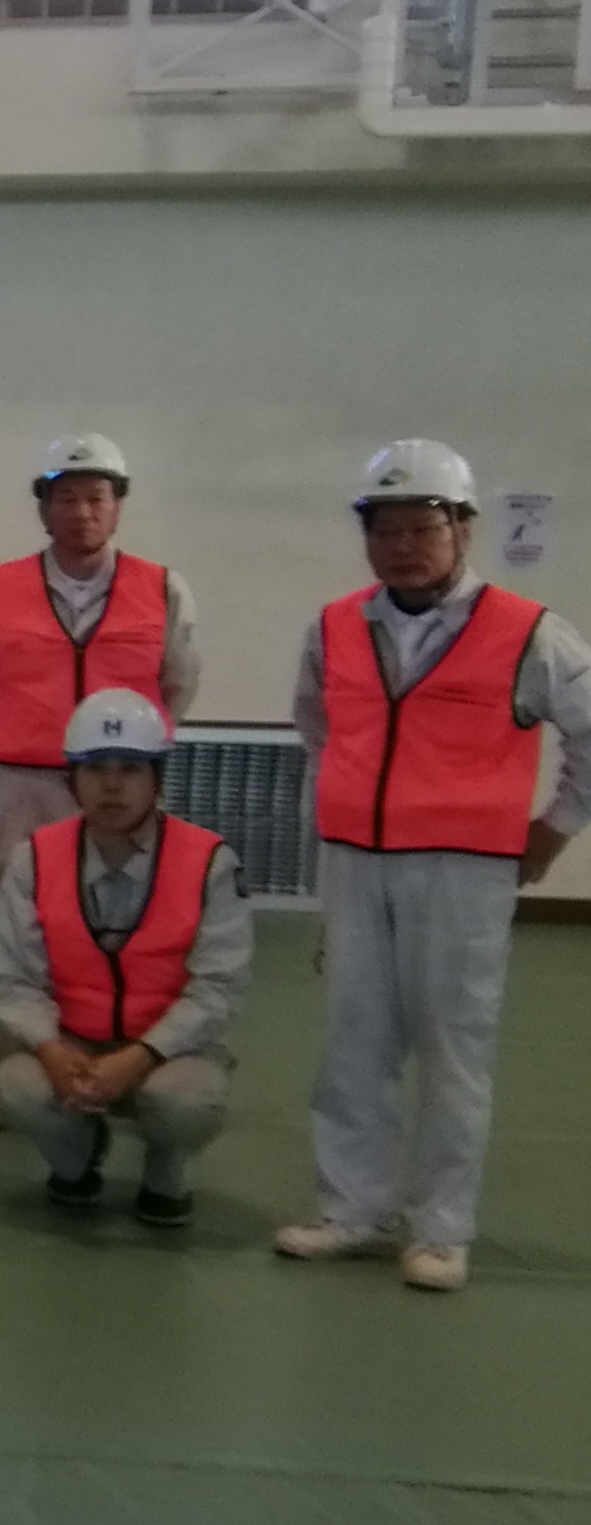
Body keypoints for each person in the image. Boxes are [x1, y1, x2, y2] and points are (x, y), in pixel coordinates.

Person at [275, 440, 591, 1292]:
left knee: (453, 1047)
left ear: (464, 529)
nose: (404, 546)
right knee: (353, 1042)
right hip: (356, 864)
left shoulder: (528, 633)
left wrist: (557, 827)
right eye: (387, 530)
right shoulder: (336, 626)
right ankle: (351, 1209)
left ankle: (442, 1230)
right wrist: (350, 796)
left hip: (463, 872)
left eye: (424, 527)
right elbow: (315, 722)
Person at [0, 690, 251, 1227]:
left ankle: (166, 1167)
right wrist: (52, 1051)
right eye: (95, 769)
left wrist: (140, 1057)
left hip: (170, 1053)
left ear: (157, 778)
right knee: (17, 1087)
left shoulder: (210, 862)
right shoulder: (33, 859)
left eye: (131, 768)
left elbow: (218, 988)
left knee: (186, 1103)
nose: (112, 785)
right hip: (72, 1044)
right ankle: (77, 1157)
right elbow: (14, 980)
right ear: (71, 780)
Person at [0, 434, 200, 880]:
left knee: (124, 898)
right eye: (66, 499)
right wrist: (19, 744)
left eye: (96, 498)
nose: (82, 512)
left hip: (121, 783)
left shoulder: (163, 590)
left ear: (117, 506)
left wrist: (136, 748)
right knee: (23, 900)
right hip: (26, 787)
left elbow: (179, 681)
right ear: (44, 509)